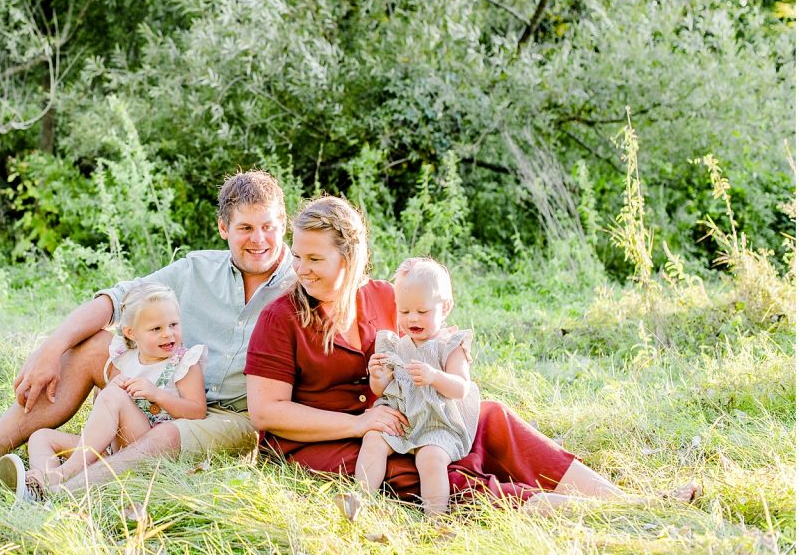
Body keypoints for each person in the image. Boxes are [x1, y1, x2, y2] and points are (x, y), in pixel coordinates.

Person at [245, 195, 654, 515]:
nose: (301, 268)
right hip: (326, 441)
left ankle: (624, 499)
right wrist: (361, 423)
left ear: (349, 260)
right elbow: (266, 413)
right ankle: (595, 513)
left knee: (490, 416)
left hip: (407, 418)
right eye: (297, 256)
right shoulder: (281, 317)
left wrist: (446, 365)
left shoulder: (387, 298)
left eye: (315, 258)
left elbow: (434, 336)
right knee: (429, 471)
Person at [0, 170, 294, 492]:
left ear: (284, 225)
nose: (258, 240)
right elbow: (118, 299)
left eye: (268, 227)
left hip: (230, 416)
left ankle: (58, 490)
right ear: (223, 228)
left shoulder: (302, 282)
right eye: (245, 228)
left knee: (164, 438)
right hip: (161, 389)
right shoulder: (196, 269)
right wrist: (52, 346)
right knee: (93, 345)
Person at [0, 283, 207, 500]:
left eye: (173, 324)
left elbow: (198, 411)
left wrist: (157, 394)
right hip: (110, 448)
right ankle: (40, 484)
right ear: (131, 333)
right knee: (41, 437)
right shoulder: (125, 358)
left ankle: (64, 473)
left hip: (146, 444)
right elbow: (104, 407)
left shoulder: (183, 363)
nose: (168, 334)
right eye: (156, 329)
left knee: (113, 394)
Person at [347, 257, 479, 518]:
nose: (412, 318)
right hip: (402, 418)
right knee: (373, 439)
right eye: (405, 311)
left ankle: (435, 518)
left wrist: (434, 377)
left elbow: (461, 388)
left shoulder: (450, 345)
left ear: (446, 307)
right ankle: (359, 501)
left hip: (436, 422)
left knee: (431, 458)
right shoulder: (396, 345)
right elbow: (383, 389)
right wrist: (377, 376)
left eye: (422, 311)